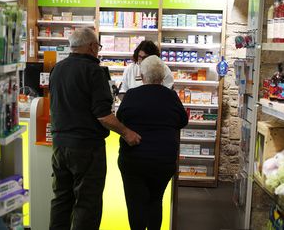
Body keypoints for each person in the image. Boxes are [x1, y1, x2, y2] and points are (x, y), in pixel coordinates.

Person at [49, 27, 141, 230]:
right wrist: (127, 133)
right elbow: (103, 116)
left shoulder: (57, 69)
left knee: (61, 200)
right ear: (91, 47)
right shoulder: (93, 71)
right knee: (87, 203)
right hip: (86, 148)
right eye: (98, 47)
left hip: (59, 146)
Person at [116, 55, 188, 230]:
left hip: (134, 159)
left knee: (136, 204)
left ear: (141, 74)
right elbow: (182, 121)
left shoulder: (132, 95)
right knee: (155, 200)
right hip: (163, 161)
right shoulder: (171, 96)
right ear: (163, 76)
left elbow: (121, 118)